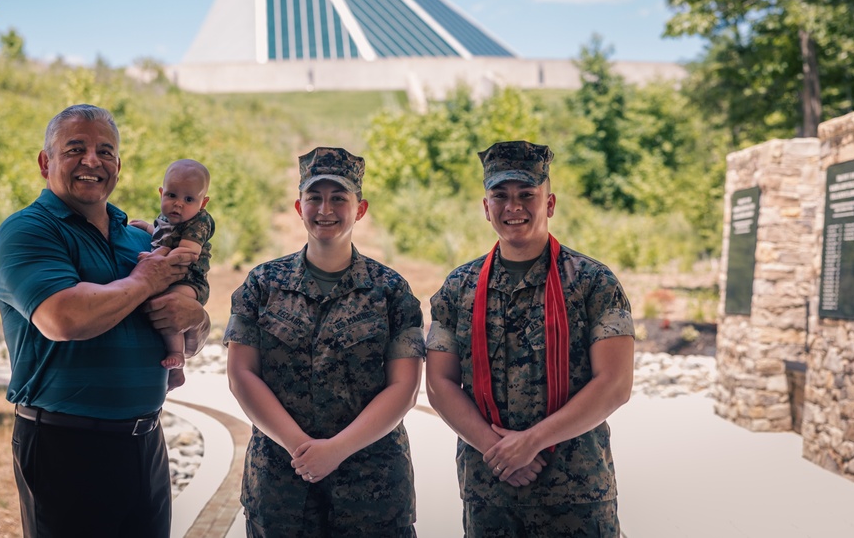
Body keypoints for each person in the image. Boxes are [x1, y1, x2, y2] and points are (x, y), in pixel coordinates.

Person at [0, 104, 212, 538]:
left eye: (105, 152)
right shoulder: (28, 231)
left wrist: (197, 319)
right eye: (75, 149)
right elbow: (64, 317)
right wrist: (143, 280)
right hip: (66, 447)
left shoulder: (142, 238)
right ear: (45, 162)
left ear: (118, 167)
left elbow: (190, 328)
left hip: (146, 441)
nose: (92, 161)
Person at [425, 140, 634, 537]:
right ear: (486, 207)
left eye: (527, 194)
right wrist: (497, 448)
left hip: (577, 490)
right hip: (491, 490)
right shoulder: (459, 287)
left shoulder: (593, 283)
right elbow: (439, 383)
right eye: (500, 195)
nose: (513, 207)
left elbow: (615, 384)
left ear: (550, 203)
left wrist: (532, 442)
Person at [225, 147, 425, 537]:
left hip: (373, 491)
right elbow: (242, 375)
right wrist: (301, 447)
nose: (325, 209)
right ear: (299, 207)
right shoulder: (262, 284)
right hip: (281, 487)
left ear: (360, 209)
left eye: (339, 198)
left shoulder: (391, 291)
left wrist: (336, 450)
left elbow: (404, 387)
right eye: (314, 197)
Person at [130, 158, 215, 391]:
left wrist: (157, 259)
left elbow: (187, 251)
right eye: (172, 196)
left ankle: (176, 360)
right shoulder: (166, 218)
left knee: (168, 305)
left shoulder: (199, 221)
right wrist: (148, 228)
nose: (178, 204)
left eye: (189, 199)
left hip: (189, 280)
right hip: (172, 274)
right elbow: (163, 236)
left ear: (203, 202)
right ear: (161, 193)